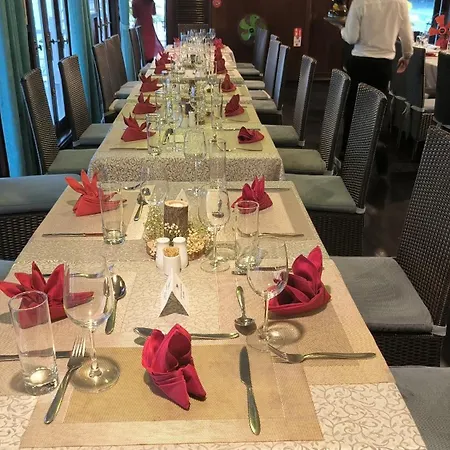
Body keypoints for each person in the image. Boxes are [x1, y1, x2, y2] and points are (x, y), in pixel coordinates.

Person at [339, 0, 414, 166]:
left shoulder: (360, 2)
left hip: (360, 62)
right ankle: (378, 154)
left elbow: (351, 37)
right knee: (379, 109)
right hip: (383, 65)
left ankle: (347, 153)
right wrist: (407, 55)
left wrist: (341, 29)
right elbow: (407, 35)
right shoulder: (400, 3)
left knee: (353, 108)